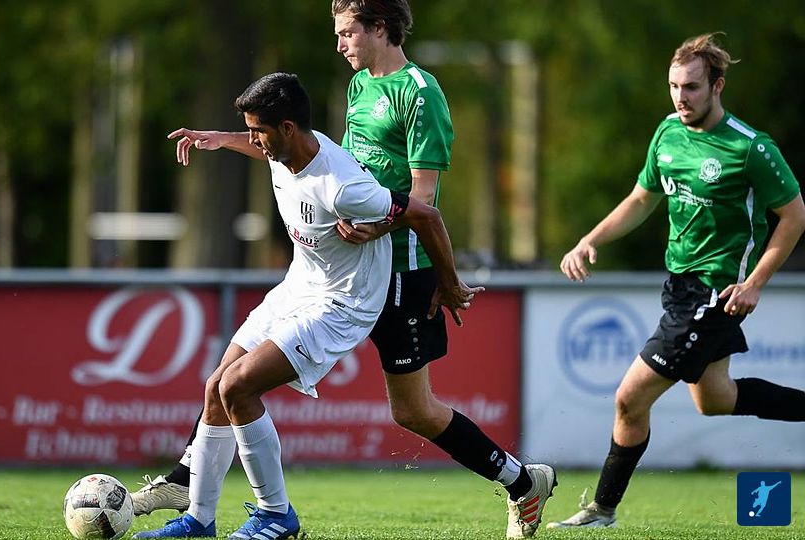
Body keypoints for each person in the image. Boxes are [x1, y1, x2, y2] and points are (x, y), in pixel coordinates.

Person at [131, 2, 557, 539]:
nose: (339, 44)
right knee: (230, 378)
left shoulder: (420, 93)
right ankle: (190, 491)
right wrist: (224, 139)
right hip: (341, 265)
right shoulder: (359, 86)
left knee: (414, 412)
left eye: (348, 32)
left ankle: (522, 482)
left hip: (401, 269)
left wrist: (403, 248)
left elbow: (422, 200)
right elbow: (308, 156)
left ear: (380, 27)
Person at [549, 33, 805, 530]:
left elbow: (794, 216)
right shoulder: (667, 132)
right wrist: (588, 240)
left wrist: (755, 282)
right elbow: (641, 198)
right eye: (673, 86)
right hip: (680, 287)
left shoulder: (751, 148)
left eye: (691, 87)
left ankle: (602, 509)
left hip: (716, 292)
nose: (680, 97)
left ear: (717, 86)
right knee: (715, 399)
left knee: (629, 399)